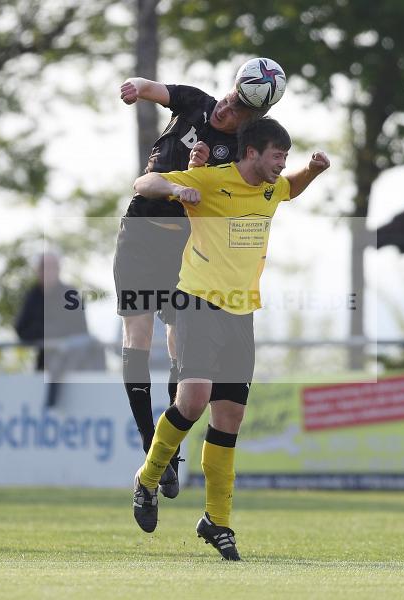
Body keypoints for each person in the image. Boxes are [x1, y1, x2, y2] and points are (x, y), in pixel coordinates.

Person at [129, 118, 329, 560]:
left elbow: (290, 189)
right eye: (277, 155)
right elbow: (145, 182)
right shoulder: (211, 179)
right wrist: (177, 191)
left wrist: (313, 170)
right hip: (197, 302)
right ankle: (147, 478)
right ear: (252, 153)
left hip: (242, 313)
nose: (282, 164)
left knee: (230, 419)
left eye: (285, 157)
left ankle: (216, 521)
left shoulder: (270, 188)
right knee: (194, 399)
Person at [114, 71, 266, 499]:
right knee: (137, 336)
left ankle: (167, 455)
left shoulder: (240, 153)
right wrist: (135, 88)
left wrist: (200, 172)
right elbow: (153, 88)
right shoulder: (196, 100)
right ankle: (150, 447)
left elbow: (223, 194)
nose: (225, 107)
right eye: (228, 97)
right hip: (141, 235)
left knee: (179, 344)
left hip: (184, 248)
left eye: (236, 108)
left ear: (250, 119)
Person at [15, 252, 104, 406]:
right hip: (44, 366)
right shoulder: (32, 296)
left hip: (75, 366)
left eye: (52, 267)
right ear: (38, 270)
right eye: (44, 267)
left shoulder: (70, 295)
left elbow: (81, 331)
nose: (47, 272)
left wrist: (55, 334)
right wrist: (46, 333)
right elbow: (21, 329)